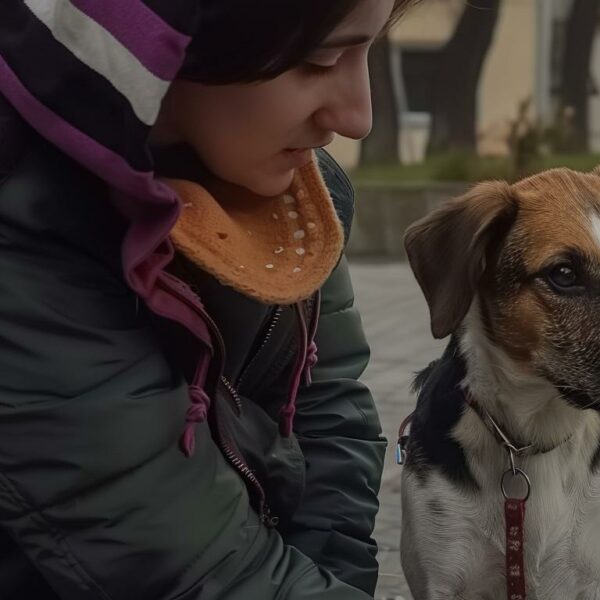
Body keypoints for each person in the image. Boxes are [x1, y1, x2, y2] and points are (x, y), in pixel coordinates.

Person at [0, 1, 416, 597]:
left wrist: (339, 578)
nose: (357, 116)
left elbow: (331, 411)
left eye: (370, 48)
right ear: (166, 41)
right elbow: (184, 565)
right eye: (318, 59)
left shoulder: (282, 184)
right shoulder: (23, 224)